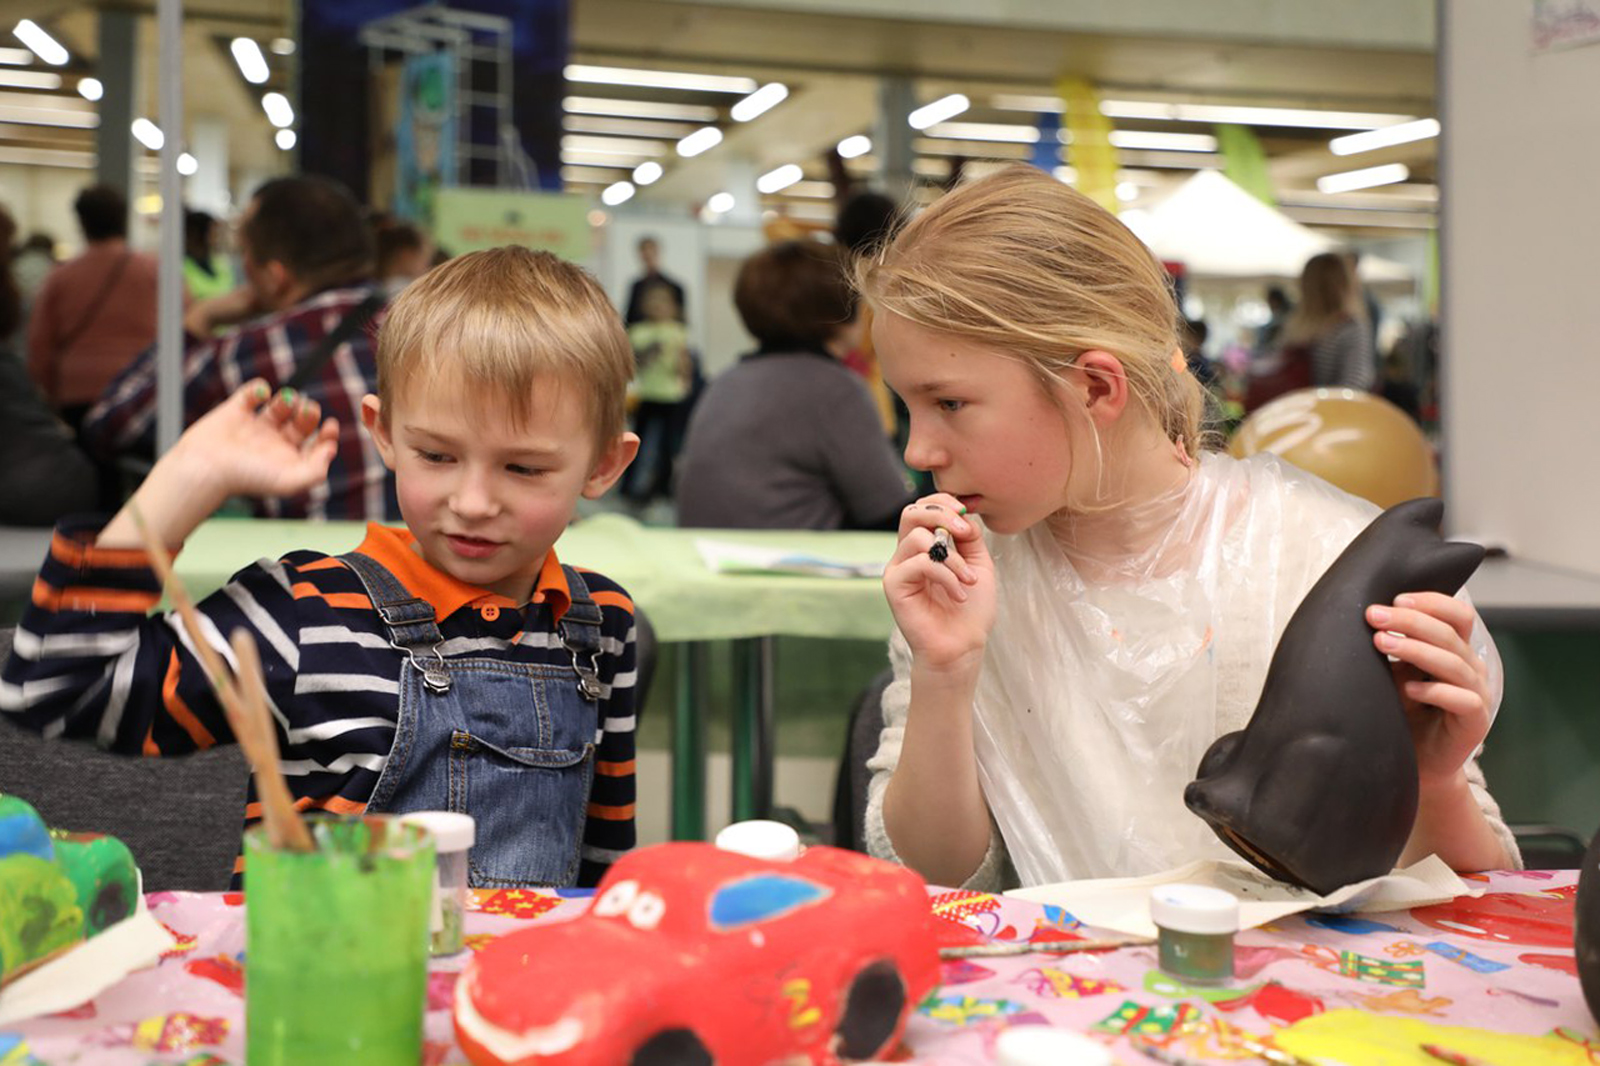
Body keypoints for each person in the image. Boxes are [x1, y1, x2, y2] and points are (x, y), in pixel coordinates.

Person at [857, 165, 1517, 891]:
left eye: (948, 403)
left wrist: (1434, 779)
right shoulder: (965, 581)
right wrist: (944, 675)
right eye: (909, 408)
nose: (918, 453)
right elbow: (934, 878)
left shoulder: (1322, 559)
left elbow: (1477, 890)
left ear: (1096, 386)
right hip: (1077, 995)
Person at [0, 246, 642, 889]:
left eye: (523, 468)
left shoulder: (599, 625)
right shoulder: (305, 609)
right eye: (437, 456)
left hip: (508, 985)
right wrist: (185, 482)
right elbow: (55, 690)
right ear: (384, 432)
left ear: (603, 466)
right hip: (321, 979)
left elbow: (600, 860)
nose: (472, 503)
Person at [81, 176, 397, 520]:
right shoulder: (424, 326)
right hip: (419, 563)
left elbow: (109, 425)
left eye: (245, 251)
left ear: (276, 276)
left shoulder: (245, 351)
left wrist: (198, 320)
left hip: (317, 565)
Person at [677, 239, 912, 530]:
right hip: (792, 563)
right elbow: (887, 509)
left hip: (706, 555)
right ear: (841, 309)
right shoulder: (836, 389)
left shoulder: (726, 381)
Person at [26, 185, 159, 434]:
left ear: (82, 223)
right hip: (142, 391)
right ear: (123, 219)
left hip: (77, 393)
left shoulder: (60, 278)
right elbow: (184, 327)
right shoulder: (153, 272)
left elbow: (39, 347)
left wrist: (52, 393)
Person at [0, 203, 97, 523]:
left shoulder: (64, 275)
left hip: (32, 493)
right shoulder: (150, 268)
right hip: (60, 484)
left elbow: (41, 347)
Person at [621, 282, 695, 505]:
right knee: (638, 442)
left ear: (672, 307)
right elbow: (635, 362)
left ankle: (662, 487)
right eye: (653, 303)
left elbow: (684, 360)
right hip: (647, 394)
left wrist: (686, 378)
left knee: (667, 445)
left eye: (663, 303)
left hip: (671, 395)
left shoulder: (678, 331)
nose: (658, 307)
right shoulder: (638, 332)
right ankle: (629, 485)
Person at [1286, 251, 1377, 391]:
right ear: (1344, 284)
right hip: (1329, 410)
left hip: (1295, 407)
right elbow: (1356, 381)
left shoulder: (1297, 328)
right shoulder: (1349, 327)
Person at [623, 236, 686, 326]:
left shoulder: (675, 287)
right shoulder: (636, 287)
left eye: (651, 253)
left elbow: (681, 319)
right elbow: (631, 318)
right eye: (645, 254)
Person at [182, 208, 237, 305]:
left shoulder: (220, 264)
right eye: (213, 233)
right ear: (196, 235)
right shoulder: (180, 268)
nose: (217, 238)